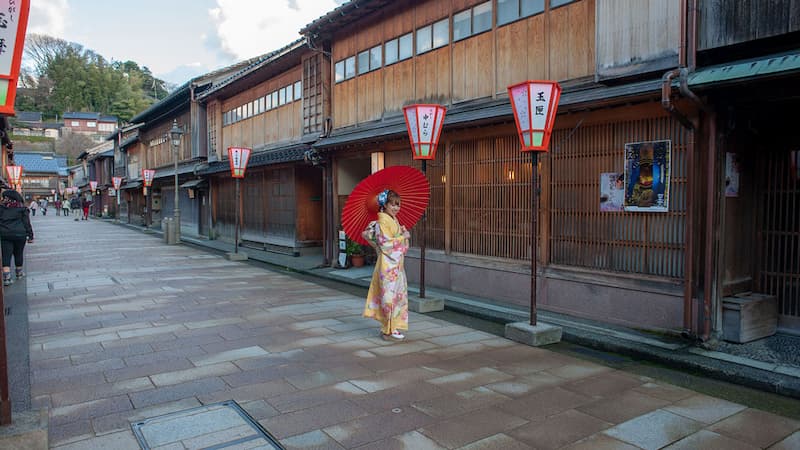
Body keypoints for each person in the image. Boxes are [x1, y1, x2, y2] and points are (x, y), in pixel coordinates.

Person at [361, 189, 411, 341]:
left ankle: (392, 327)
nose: (396, 208)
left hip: (395, 264)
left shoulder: (392, 220)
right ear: (385, 205)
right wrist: (402, 236)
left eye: (398, 205)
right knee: (388, 296)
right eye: (393, 204)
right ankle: (387, 329)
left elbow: (398, 244)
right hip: (387, 265)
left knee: (397, 296)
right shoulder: (383, 221)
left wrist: (402, 233)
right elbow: (385, 244)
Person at [0, 190, 34, 286]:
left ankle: (7, 277)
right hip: (20, 234)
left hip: (5, 234)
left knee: (6, 255)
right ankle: (19, 273)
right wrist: (30, 235)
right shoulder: (22, 208)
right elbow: (27, 223)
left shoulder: (1, 208)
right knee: (18, 253)